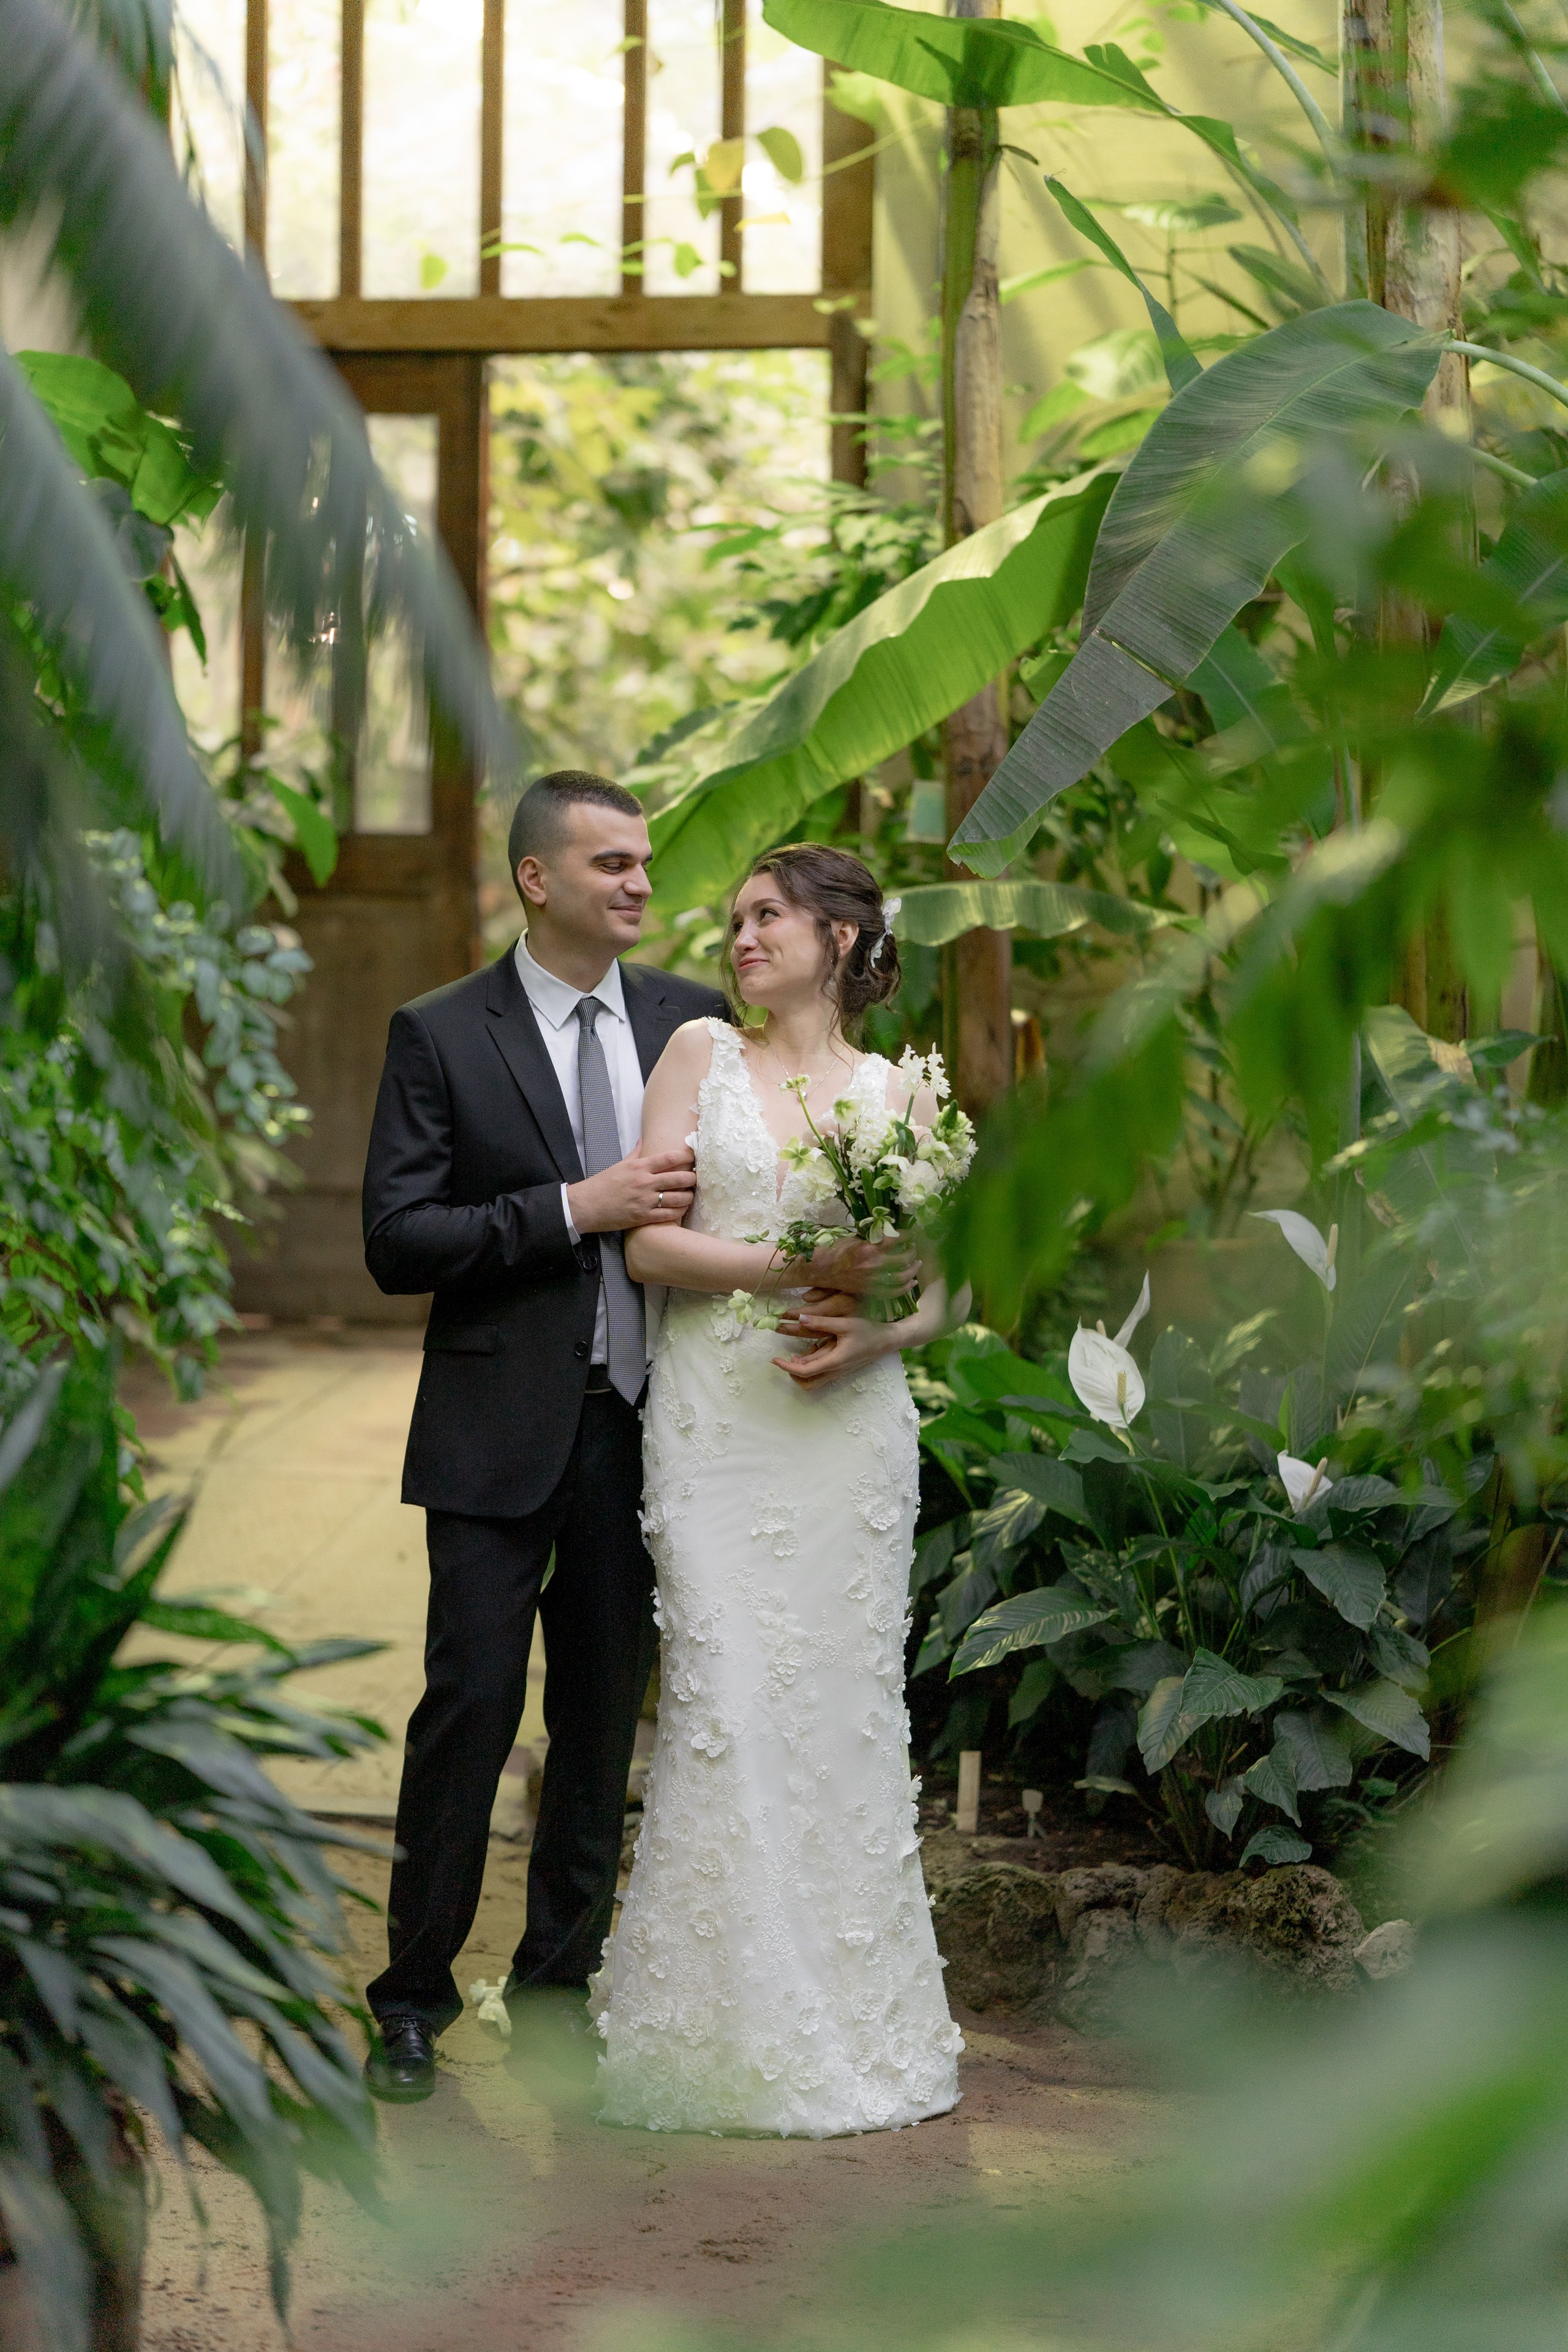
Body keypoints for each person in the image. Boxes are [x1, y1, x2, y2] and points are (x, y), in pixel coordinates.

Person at [357, 770, 728, 2101]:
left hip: (648, 1431)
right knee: (467, 1706)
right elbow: (397, 1242)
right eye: (611, 864)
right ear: (537, 879)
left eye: (643, 864)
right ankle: (409, 1995)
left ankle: (560, 1982)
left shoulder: (696, 1022)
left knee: (595, 1722)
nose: (639, 883)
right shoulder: (440, 1032)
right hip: (491, 1426)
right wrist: (575, 1206)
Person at [592, 842, 967, 2138]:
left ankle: (851, 2028)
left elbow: (937, 1291)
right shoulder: (698, 1055)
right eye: (735, 919)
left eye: (769, 917)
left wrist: (873, 1336)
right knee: (726, 1701)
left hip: (847, 1435)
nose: (740, 938)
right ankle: (711, 2035)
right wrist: (790, 1264)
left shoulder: (902, 1095)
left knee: (838, 1719)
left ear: (843, 941)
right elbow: (646, 1241)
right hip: (714, 1427)